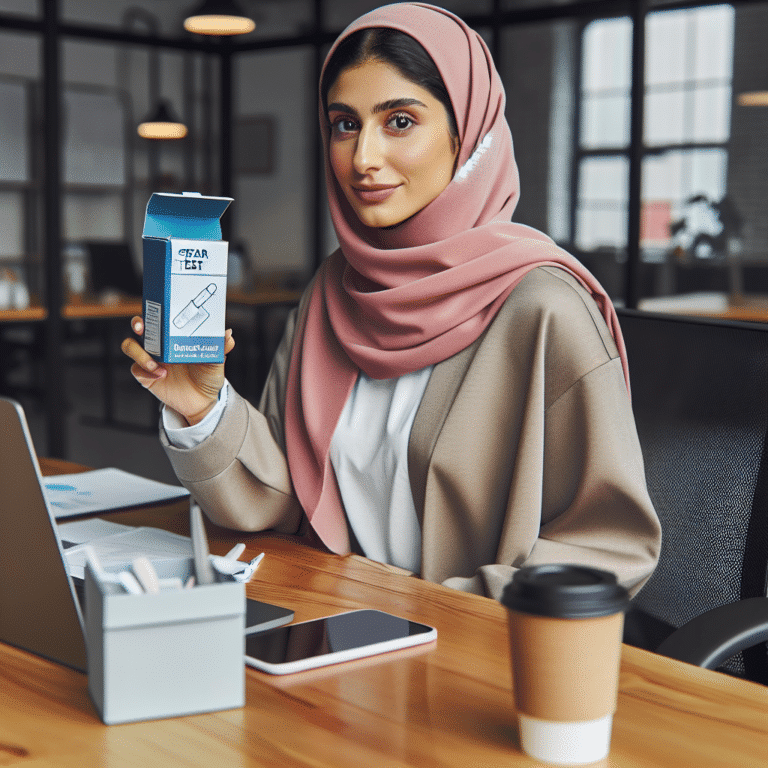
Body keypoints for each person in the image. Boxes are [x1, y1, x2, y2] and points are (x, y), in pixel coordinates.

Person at [122, 2, 661, 601]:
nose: (363, 159)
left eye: (399, 121)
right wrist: (204, 410)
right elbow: (287, 497)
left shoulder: (544, 309)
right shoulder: (331, 293)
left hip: (474, 660)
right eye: (344, 124)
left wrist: (442, 617)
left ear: (469, 134)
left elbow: (609, 546)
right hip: (338, 628)